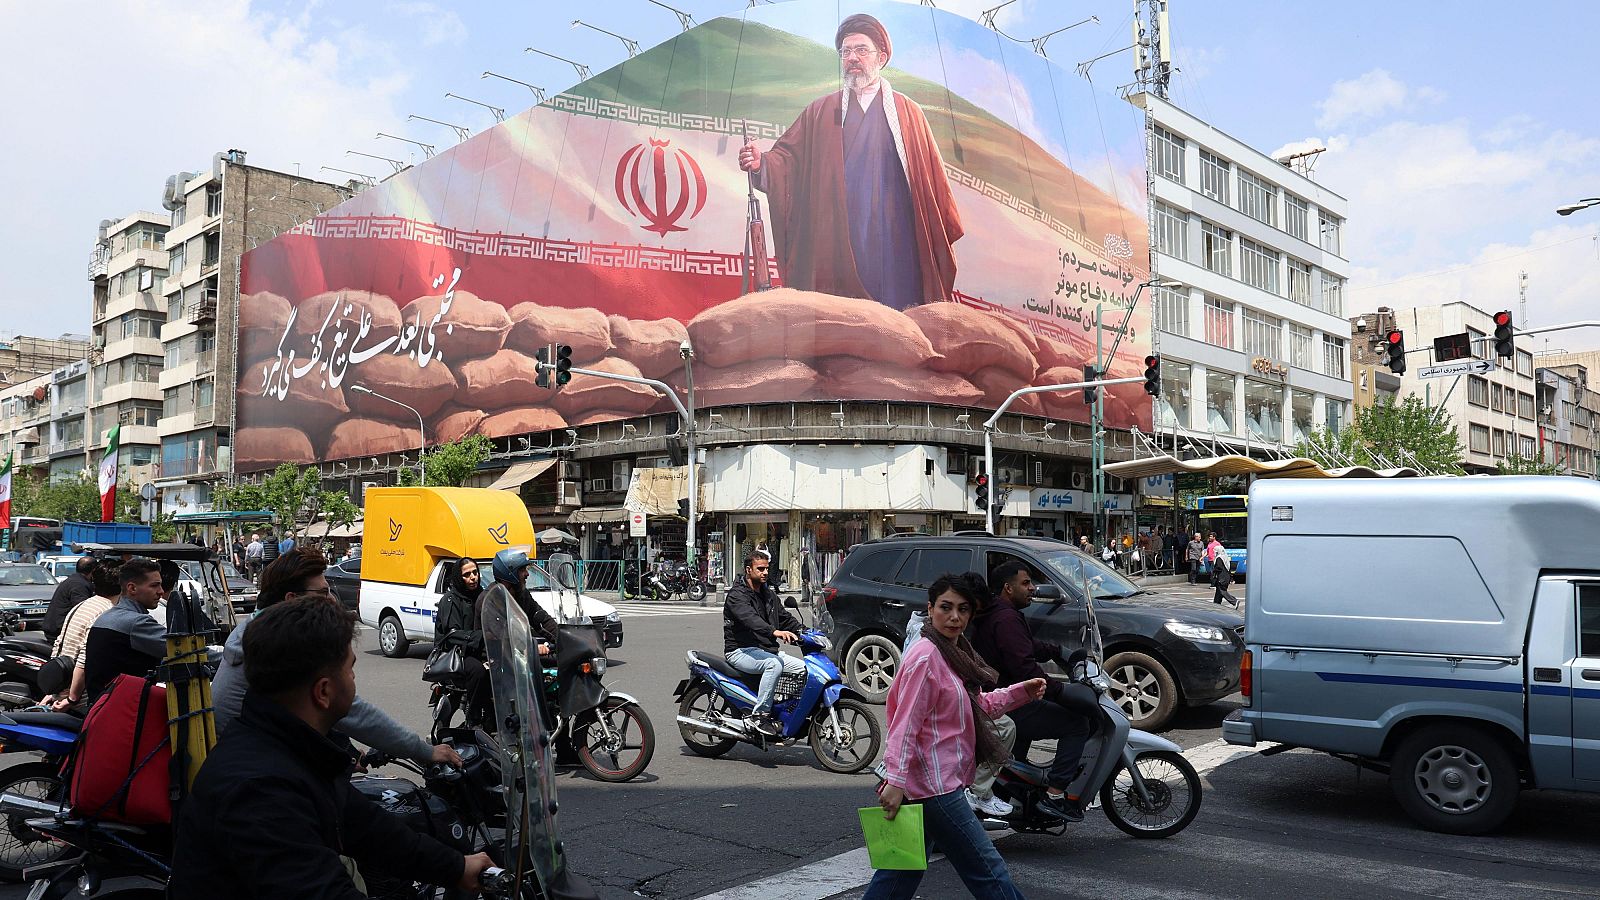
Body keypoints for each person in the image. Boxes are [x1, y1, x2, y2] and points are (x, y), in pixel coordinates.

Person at [168, 597, 493, 898]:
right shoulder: (260, 790)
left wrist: (456, 866)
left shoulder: (296, 749)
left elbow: (370, 829)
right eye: (350, 669)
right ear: (323, 692)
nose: (354, 680)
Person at [738, 12, 963, 310]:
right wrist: (762, 164)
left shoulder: (909, 114)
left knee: (900, 321)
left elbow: (932, 187)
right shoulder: (821, 111)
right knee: (842, 319)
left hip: (896, 239)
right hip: (839, 237)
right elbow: (788, 160)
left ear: (881, 57)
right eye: (846, 52)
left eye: (861, 50)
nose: (852, 58)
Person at [866, 574, 1044, 900]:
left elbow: (975, 706)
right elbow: (905, 724)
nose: (955, 617)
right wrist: (895, 779)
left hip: (930, 783)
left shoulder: (953, 652)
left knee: (900, 874)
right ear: (930, 609)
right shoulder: (926, 657)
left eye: (963, 610)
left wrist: (1021, 692)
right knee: (988, 871)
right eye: (946, 607)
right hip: (933, 787)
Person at [213, 549, 459, 766]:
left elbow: (316, 712)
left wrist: (347, 751)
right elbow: (350, 710)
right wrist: (423, 751)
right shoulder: (283, 643)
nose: (331, 600)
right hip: (266, 765)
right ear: (291, 600)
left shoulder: (254, 629)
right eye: (322, 593)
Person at [971, 562, 1099, 822]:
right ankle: (1054, 795)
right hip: (1007, 701)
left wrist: (1059, 652)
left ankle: (1019, 795)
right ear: (1008, 588)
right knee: (1076, 724)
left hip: (1002, 697)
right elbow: (1024, 668)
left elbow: (1027, 646)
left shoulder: (1004, 613)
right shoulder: (1005, 618)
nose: (1032, 589)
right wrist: (1060, 690)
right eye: (1026, 583)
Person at [723, 550, 805, 738]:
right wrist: (774, 632)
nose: (765, 572)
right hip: (740, 650)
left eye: (767, 568)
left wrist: (805, 631)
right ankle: (759, 716)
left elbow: (785, 618)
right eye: (760, 569)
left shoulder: (768, 594)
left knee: (804, 670)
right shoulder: (737, 595)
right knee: (773, 664)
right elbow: (750, 619)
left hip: (765, 650)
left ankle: (784, 710)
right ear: (748, 569)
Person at [80, 558, 169, 702]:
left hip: (103, 704)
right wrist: (218, 654)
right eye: (154, 586)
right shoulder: (136, 622)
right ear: (132, 588)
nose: (161, 592)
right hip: (122, 710)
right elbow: (182, 648)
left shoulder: (108, 616)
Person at [46, 564, 121, 711]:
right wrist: (72, 698)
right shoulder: (107, 613)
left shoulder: (82, 605)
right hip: (81, 698)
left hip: (62, 687)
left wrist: (53, 690)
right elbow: (84, 659)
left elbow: (59, 645)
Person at [434, 557, 490, 725]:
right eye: (466, 574)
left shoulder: (482, 595)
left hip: (477, 649)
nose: (472, 577)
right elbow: (452, 634)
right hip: (455, 653)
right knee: (478, 671)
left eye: (475, 573)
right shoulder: (451, 600)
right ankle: (474, 718)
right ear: (459, 577)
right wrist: (481, 637)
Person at [42, 556, 98, 643]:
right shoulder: (79, 584)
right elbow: (83, 610)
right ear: (94, 570)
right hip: (59, 631)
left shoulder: (75, 580)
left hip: (56, 628)